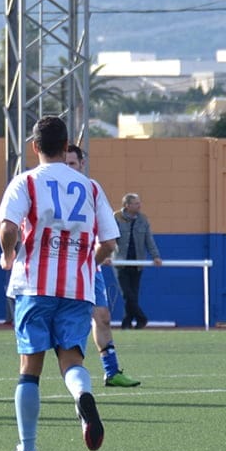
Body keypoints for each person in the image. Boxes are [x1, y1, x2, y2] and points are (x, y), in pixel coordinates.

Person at [0, 116, 119, 451]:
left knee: (29, 370)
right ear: (67, 147)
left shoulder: (26, 182)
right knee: (72, 360)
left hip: (35, 286)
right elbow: (110, 243)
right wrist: (86, 264)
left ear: (34, 147)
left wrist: (8, 255)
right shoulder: (91, 187)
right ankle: (83, 397)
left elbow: (8, 228)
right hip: (77, 289)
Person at [65, 145, 140, 388]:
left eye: (72, 164)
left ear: (82, 164)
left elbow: (104, 229)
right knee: (59, 321)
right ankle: (35, 375)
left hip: (88, 267)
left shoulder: (91, 190)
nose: (69, 169)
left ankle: (111, 371)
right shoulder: (49, 190)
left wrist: (98, 253)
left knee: (103, 317)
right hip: (59, 267)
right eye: (64, 164)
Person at [114, 192, 162, 329]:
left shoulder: (143, 219)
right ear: (127, 205)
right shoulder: (116, 218)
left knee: (133, 295)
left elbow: (149, 240)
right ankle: (142, 318)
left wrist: (155, 256)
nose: (139, 205)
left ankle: (126, 323)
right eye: (136, 203)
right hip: (120, 263)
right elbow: (109, 238)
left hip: (137, 263)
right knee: (127, 294)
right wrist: (107, 255)